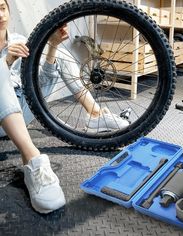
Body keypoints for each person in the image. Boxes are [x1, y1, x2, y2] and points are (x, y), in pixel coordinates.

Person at [0, 0, 128, 214]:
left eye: (2, 7)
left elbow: (41, 84)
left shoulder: (20, 41)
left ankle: (95, 114)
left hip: (24, 109)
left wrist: (52, 46)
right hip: (3, 120)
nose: (0, 14)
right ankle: (33, 159)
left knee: (58, 51)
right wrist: (7, 62)